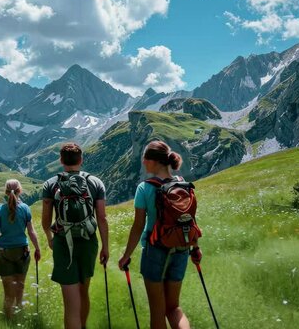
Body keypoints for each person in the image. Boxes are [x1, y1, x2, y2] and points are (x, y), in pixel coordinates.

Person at [118, 141, 202, 329]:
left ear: (154, 161)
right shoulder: (183, 185)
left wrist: (126, 256)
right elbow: (189, 220)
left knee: (157, 311)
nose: (143, 162)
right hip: (181, 248)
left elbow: (138, 225)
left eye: (145, 159)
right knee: (174, 308)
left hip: (154, 250)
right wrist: (195, 248)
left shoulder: (145, 188)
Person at [41, 142, 109, 329]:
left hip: (63, 242)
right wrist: (105, 246)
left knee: (70, 303)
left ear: (61, 160)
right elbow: (101, 218)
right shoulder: (95, 182)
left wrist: (50, 238)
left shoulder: (51, 184)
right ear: (81, 160)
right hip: (89, 242)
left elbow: (46, 220)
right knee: (83, 291)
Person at [0, 179, 41, 319]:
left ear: (6, 192)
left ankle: (9, 321)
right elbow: (31, 232)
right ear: (20, 191)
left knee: (8, 294)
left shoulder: (0, 210)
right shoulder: (25, 208)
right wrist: (37, 248)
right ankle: (20, 319)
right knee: (20, 289)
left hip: (4, 252)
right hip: (22, 251)